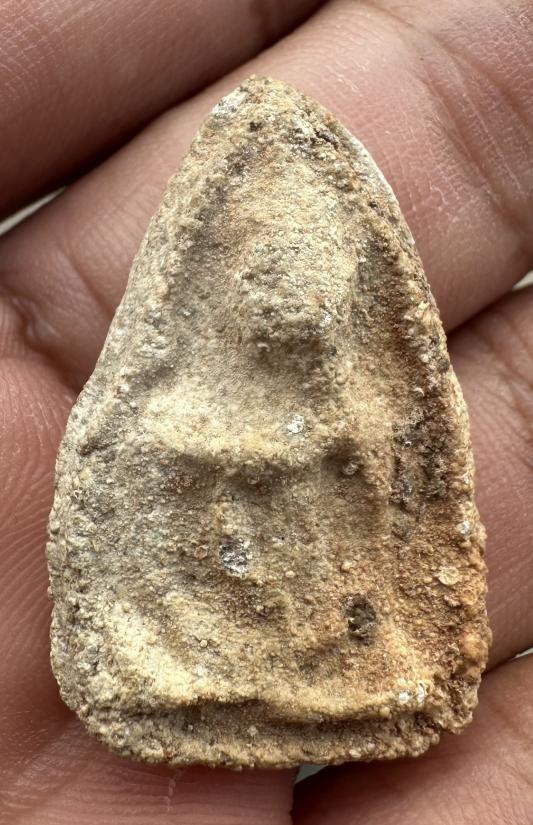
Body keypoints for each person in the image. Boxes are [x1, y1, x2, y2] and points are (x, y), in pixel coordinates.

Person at [0, 1, 531, 822]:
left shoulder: (365, 401)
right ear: (235, 285)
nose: (290, 306)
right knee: (175, 619)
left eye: (307, 285)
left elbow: (390, 511)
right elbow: (143, 470)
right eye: (268, 281)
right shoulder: (176, 393)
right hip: (211, 599)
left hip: (324, 605)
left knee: (353, 618)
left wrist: (331, 465)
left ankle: (333, 680)